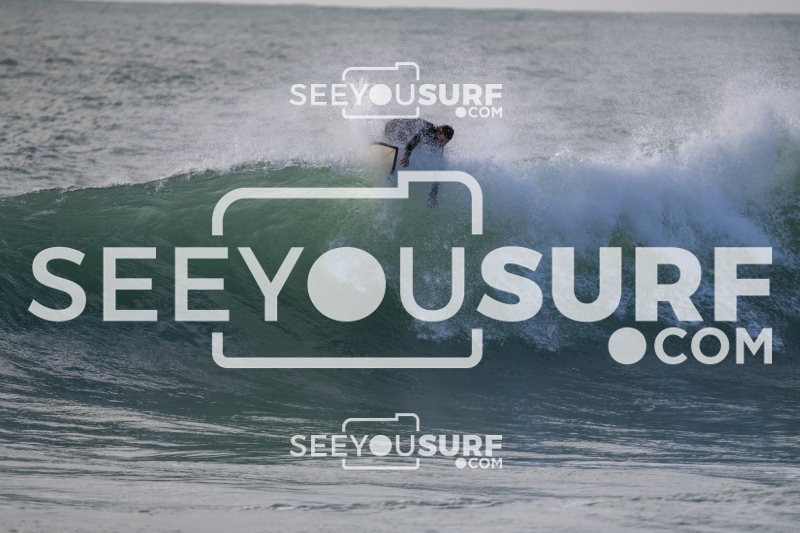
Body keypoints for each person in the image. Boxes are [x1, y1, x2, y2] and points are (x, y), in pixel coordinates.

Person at [384, 119, 454, 207]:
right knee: (401, 142)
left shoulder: (439, 147)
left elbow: (438, 170)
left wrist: (434, 192)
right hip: (393, 126)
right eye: (441, 140)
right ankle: (390, 152)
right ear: (437, 133)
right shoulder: (428, 131)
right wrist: (407, 155)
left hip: (403, 133)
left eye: (445, 143)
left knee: (404, 142)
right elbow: (414, 140)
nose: (442, 144)